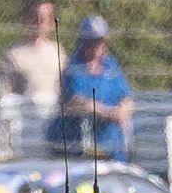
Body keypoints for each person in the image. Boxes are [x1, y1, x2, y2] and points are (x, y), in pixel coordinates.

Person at [48, 16, 134, 161]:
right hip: (79, 144)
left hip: (112, 142)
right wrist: (108, 113)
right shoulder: (74, 67)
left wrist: (123, 110)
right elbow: (76, 101)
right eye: (91, 41)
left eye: (100, 41)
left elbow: (126, 97)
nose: (96, 46)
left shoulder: (110, 65)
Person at [0, 0, 62, 101]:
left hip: (54, 109)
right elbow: (3, 94)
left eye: (43, 19)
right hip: (24, 110)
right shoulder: (12, 55)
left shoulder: (58, 52)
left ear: (51, 24)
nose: (38, 23)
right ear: (25, 19)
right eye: (34, 18)